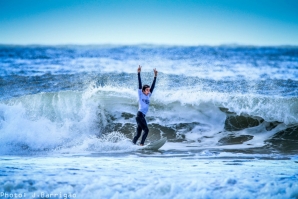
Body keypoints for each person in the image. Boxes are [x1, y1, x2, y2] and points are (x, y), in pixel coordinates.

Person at [132, 65, 158, 146]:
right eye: (147, 90)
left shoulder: (148, 96)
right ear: (143, 90)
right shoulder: (140, 94)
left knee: (138, 134)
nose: (148, 91)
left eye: (149, 90)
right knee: (146, 130)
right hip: (139, 115)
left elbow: (153, 87)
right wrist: (138, 73)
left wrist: (155, 76)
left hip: (142, 116)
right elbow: (140, 84)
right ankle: (141, 144)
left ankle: (132, 145)